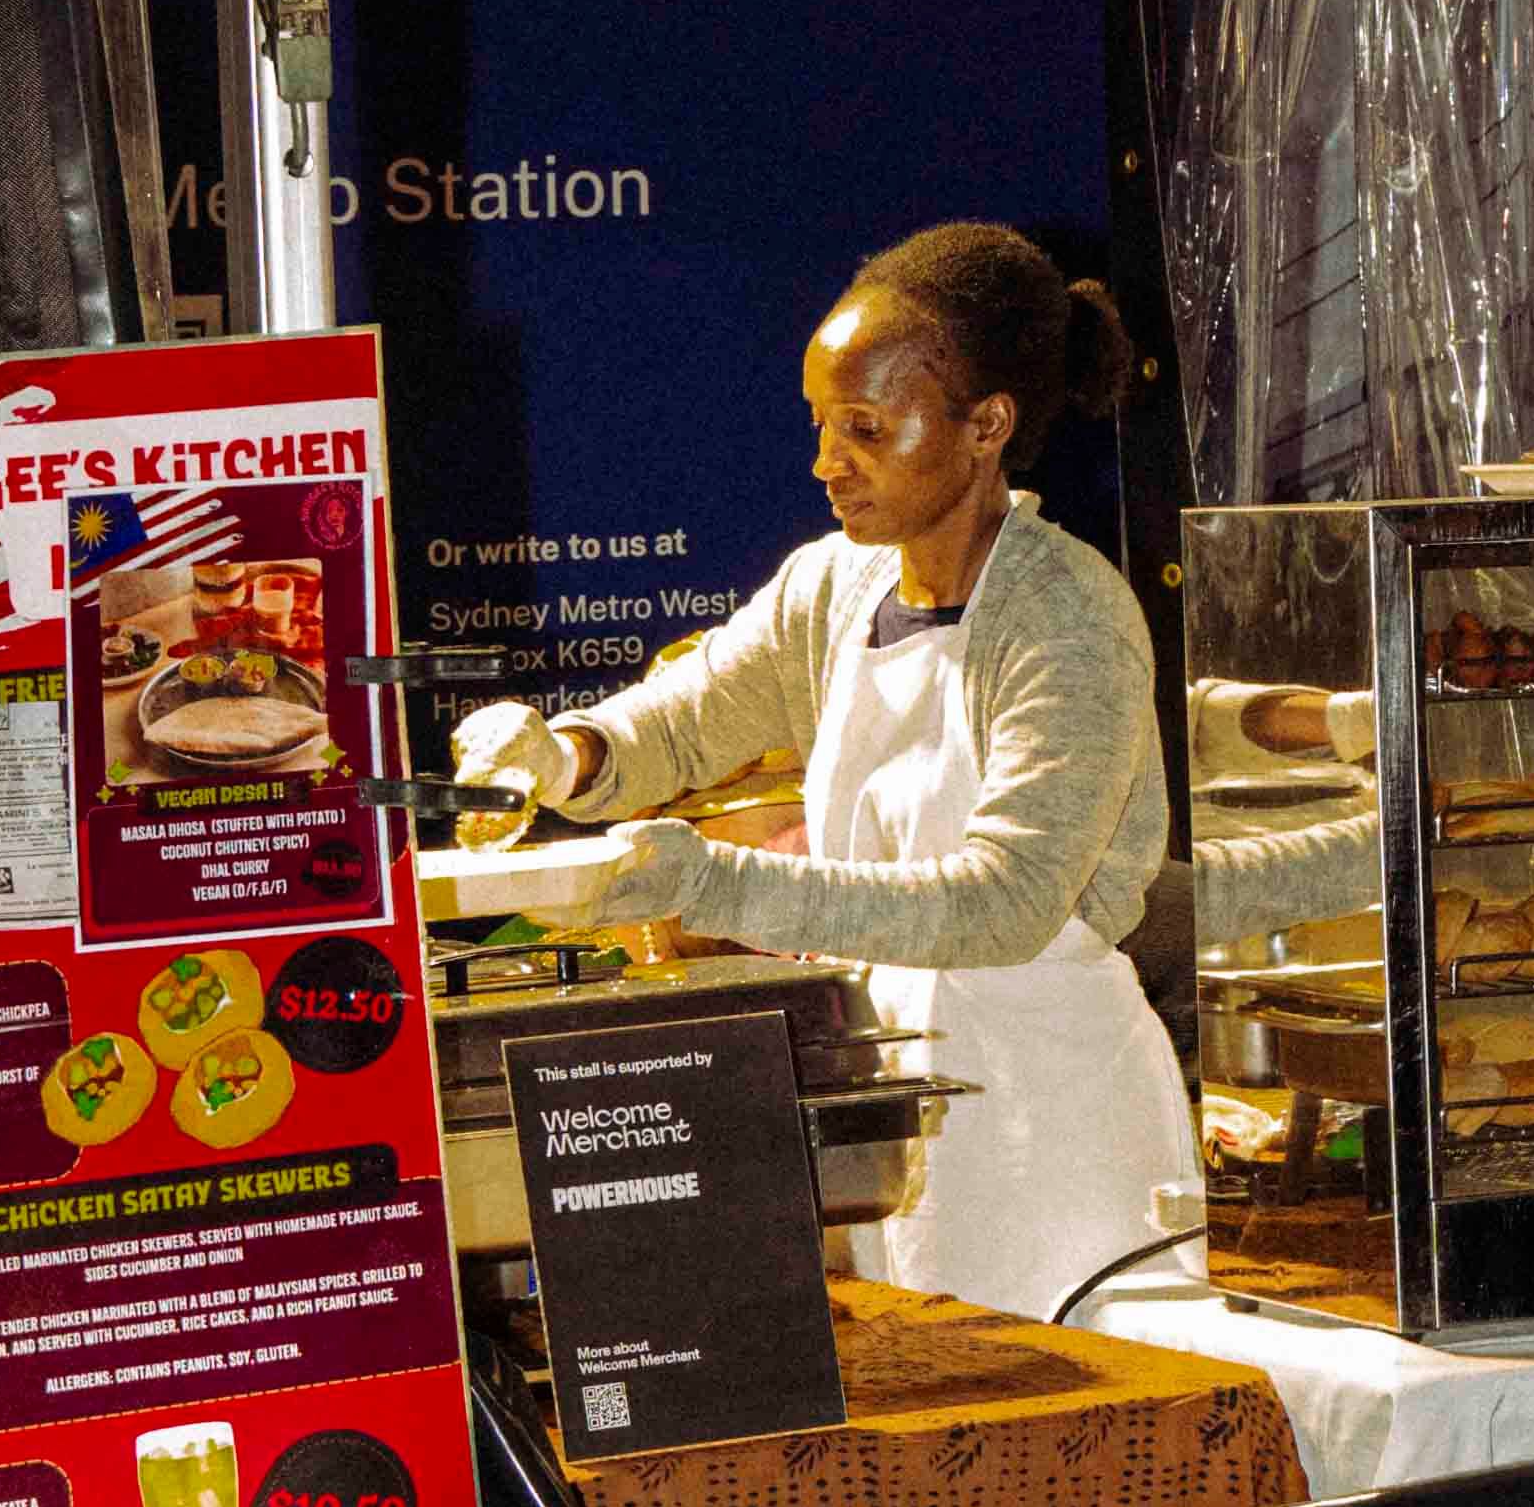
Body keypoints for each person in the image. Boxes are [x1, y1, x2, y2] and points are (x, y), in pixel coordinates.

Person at [464, 219, 1194, 1328]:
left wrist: (710, 883)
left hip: (1059, 1133)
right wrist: (558, 751)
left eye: (865, 428)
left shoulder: (1067, 614)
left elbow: (1001, 903)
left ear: (987, 425)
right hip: (889, 1106)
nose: (825, 462)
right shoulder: (834, 585)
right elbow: (683, 723)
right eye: (821, 424)